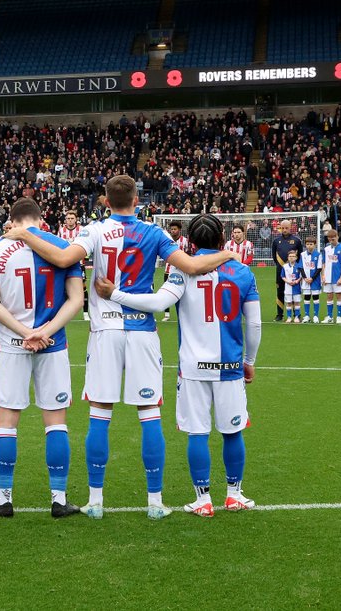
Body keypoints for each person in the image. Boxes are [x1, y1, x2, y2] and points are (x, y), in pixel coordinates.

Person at [10, 175, 237, 520]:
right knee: (149, 416)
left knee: (100, 415)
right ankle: (155, 501)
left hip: (106, 332)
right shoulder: (154, 232)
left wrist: (25, 233)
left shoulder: (94, 230)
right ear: (136, 199)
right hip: (142, 331)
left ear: (105, 200)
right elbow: (191, 266)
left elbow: (61, 258)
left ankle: (96, 501)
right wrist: (228, 253)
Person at [93, 213, 262, 517]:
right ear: (222, 239)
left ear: (191, 243)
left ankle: (203, 499)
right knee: (232, 432)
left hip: (194, 368)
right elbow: (255, 325)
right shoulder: (243, 272)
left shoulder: (182, 272)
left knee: (198, 433)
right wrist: (249, 361)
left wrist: (114, 294)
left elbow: (157, 304)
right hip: (230, 365)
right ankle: (234, 494)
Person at [0, 198, 84, 519]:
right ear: (41, 219)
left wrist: (24, 332)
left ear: (12, 220)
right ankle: (58, 498)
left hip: (13, 345)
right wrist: (45, 331)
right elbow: (77, 299)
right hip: (53, 344)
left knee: (6, 422)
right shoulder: (62, 245)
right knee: (55, 421)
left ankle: (4, 499)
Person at [271, 220, 304, 322]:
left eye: (286, 228)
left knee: (294, 293)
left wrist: (294, 268)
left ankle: (296, 315)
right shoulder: (276, 241)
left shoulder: (297, 240)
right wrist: (282, 267)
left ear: (291, 228)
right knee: (280, 292)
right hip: (281, 271)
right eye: (283, 228)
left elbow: (300, 256)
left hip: (294, 272)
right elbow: (274, 256)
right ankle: (279, 314)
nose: (284, 230)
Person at [160, 222, 189, 321]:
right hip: (168, 271)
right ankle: (166, 314)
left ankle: (183, 313)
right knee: (166, 293)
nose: (173, 231)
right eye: (171, 229)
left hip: (182, 271)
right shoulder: (167, 240)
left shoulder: (185, 241)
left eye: (175, 229)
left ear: (179, 230)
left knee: (184, 293)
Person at [320, 230, 341, 324]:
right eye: (329, 239)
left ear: (337, 237)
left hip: (337, 277)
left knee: (339, 295)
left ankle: (339, 316)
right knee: (329, 295)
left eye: (333, 239)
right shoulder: (326, 249)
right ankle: (330, 316)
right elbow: (323, 263)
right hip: (327, 277)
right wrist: (323, 275)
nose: (331, 241)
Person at [281, 250, 304, 323]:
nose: (291, 258)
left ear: (296, 258)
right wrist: (288, 281)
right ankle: (289, 317)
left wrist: (297, 281)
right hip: (288, 288)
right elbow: (283, 276)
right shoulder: (285, 266)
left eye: (293, 256)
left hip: (297, 288)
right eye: (290, 256)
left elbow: (301, 276)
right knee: (289, 303)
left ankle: (296, 317)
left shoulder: (299, 266)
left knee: (297, 302)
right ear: (288, 258)